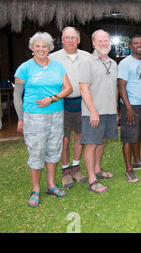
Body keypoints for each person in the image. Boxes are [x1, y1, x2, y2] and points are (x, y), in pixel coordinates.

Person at [13, 32, 73, 207]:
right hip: (34, 116)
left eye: (44, 46)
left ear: (49, 48)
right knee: (37, 151)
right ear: (32, 48)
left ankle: (51, 185)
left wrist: (52, 98)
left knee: (54, 149)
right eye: (37, 46)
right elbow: (17, 96)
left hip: (56, 113)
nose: (41, 49)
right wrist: (20, 118)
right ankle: (36, 189)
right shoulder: (25, 68)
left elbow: (68, 89)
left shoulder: (58, 66)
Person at [49, 26, 90, 189]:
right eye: (67, 37)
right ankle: (65, 171)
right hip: (62, 103)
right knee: (64, 139)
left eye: (73, 37)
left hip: (82, 102)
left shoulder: (87, 57)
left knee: (80, 137)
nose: (70, 40)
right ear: (62, 40)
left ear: (78, 40)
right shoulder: (53, 58)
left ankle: (75, 168)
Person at [79, 29, 118, 193]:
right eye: (100, 41)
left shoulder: (113, 63)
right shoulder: (87, 62)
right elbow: (83, 89)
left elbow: (114, 89)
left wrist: (115, 110)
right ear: (93, 43)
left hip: (109, 111)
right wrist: (93, 112)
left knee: (102, 141)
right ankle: (92, 180)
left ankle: (97, 170)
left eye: (106, 40)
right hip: (93, 112)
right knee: (91, 144)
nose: (104, 43)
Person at [118, 35, 141, 183]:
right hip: (130, 106)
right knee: (128, 137)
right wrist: (128, 108)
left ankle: (137, 161)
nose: (139, 45)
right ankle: (128, 169)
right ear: (130, 46)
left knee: (137, 134)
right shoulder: (125, 63)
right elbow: (121, 87)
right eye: (135, 43)